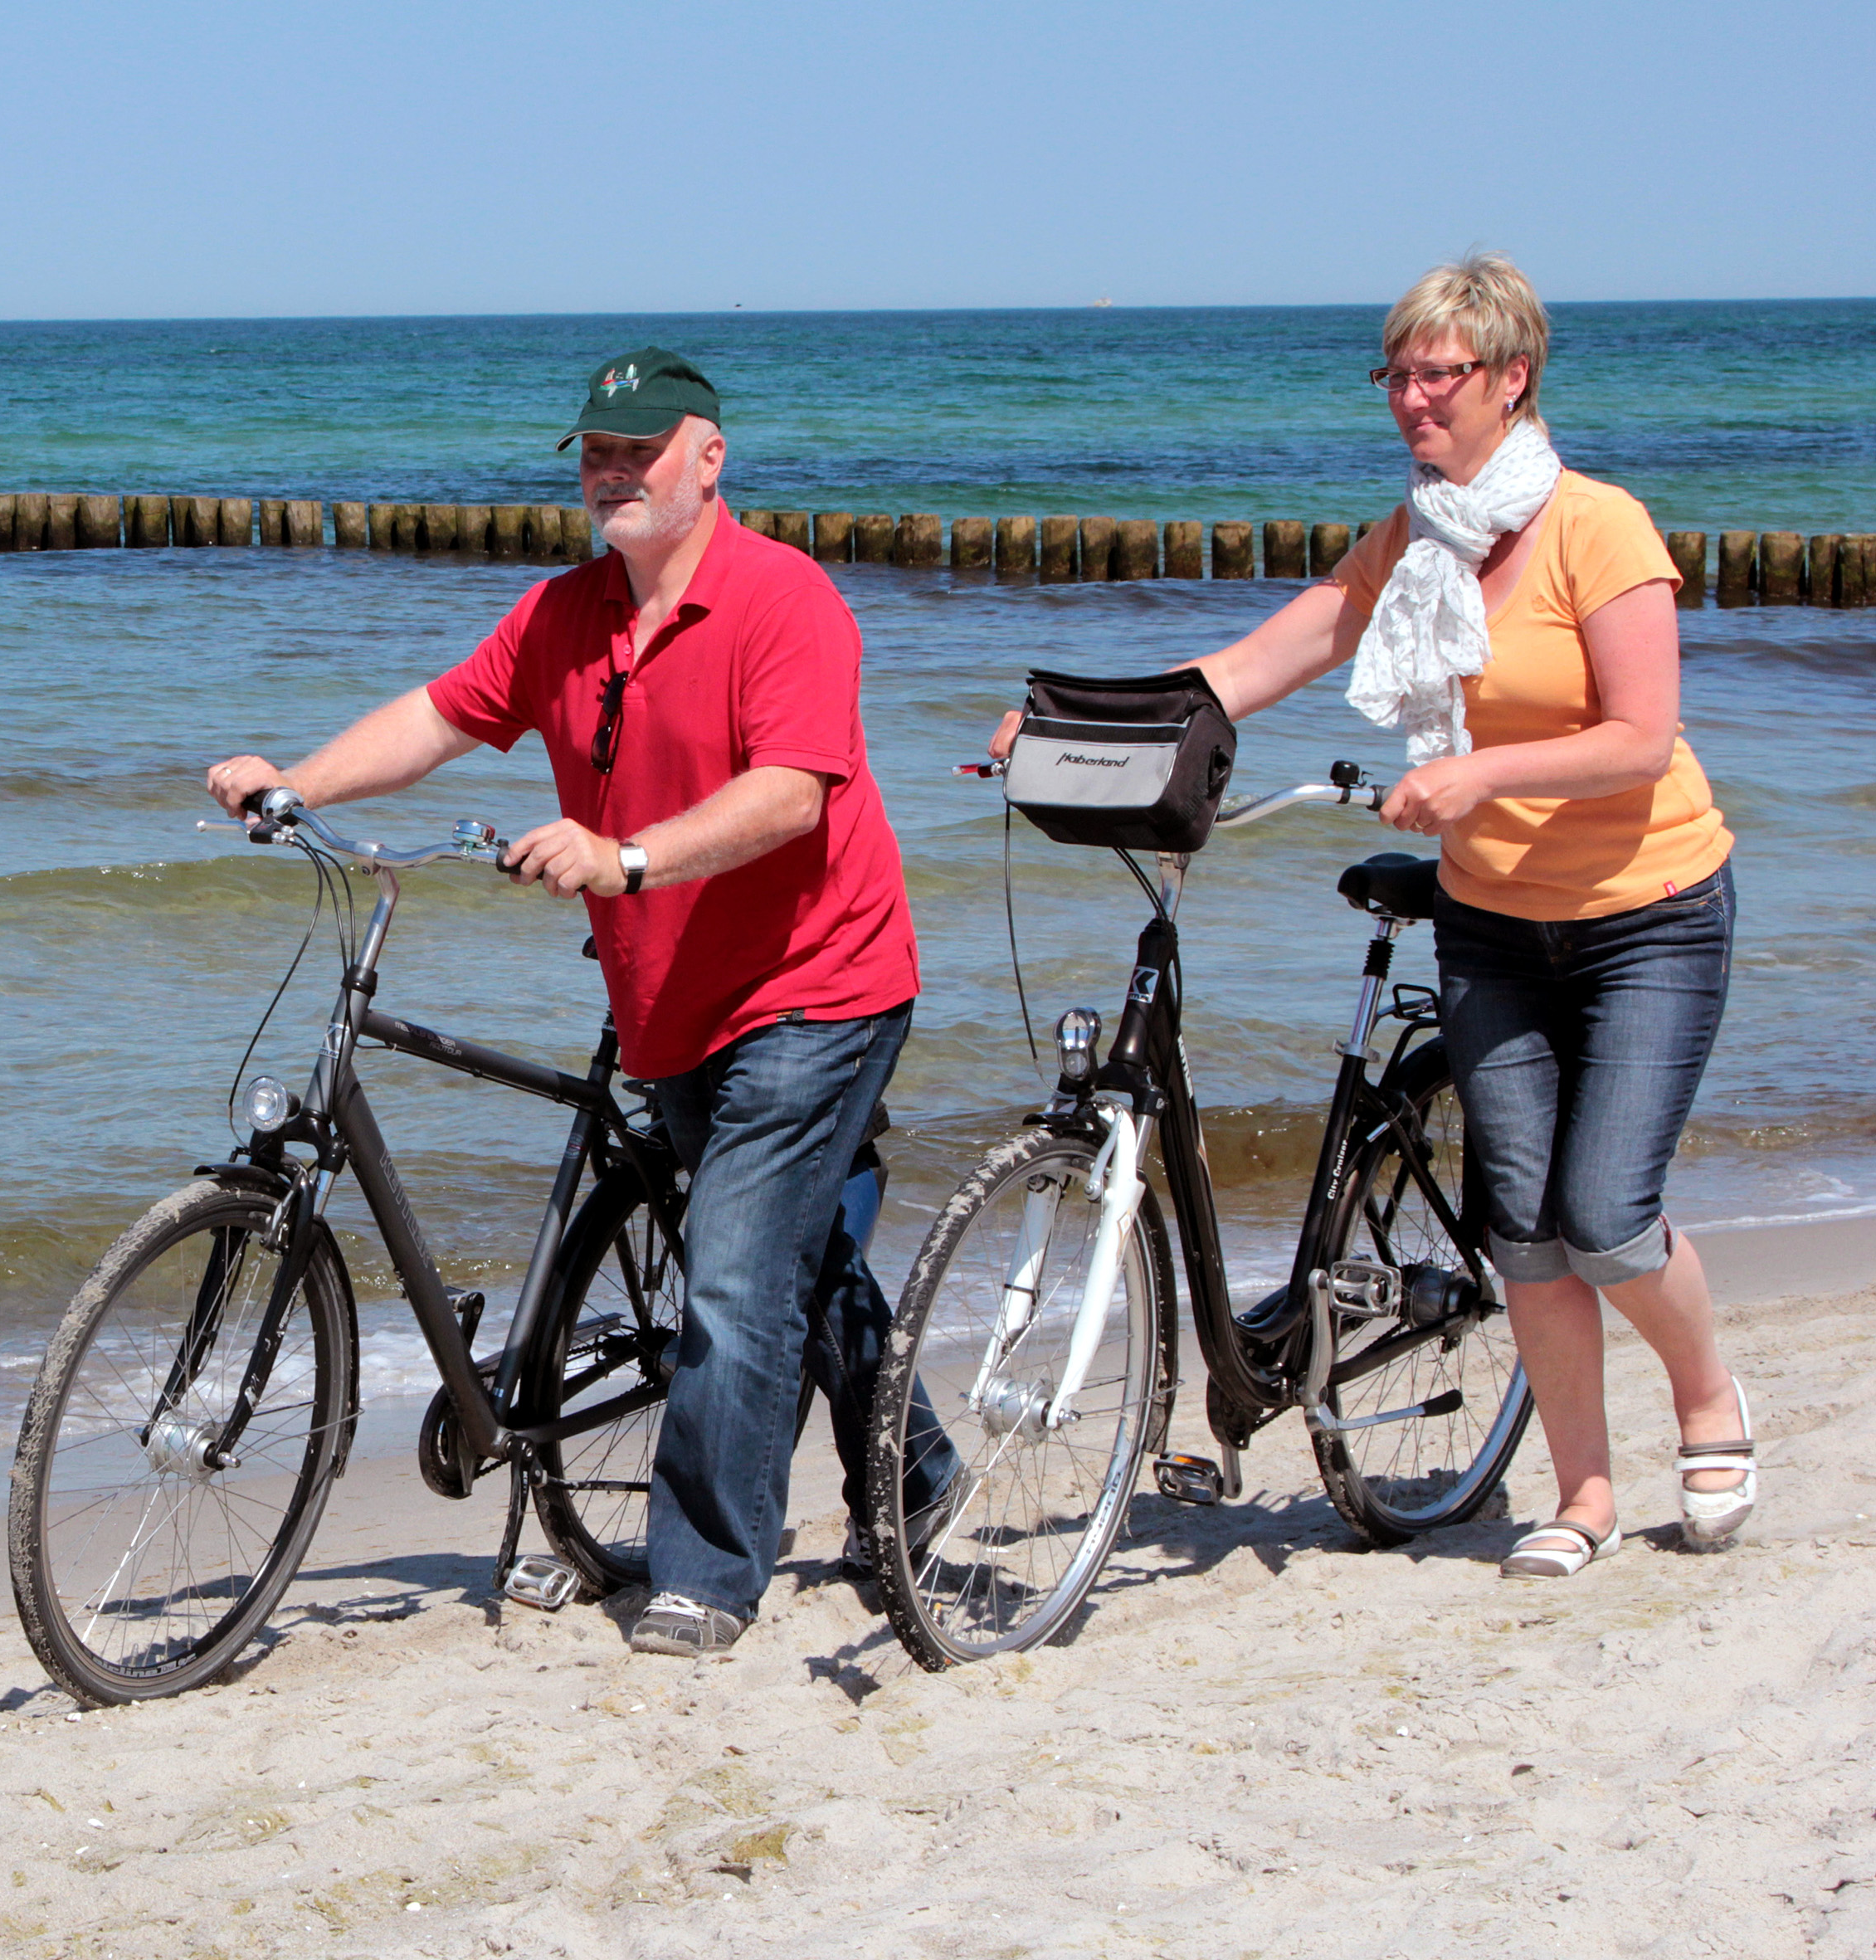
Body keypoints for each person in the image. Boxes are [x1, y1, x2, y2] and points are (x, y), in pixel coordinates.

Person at [1005, 253, 1748, 1578]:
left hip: (1649, 912)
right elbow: (1257, 661)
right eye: (1395, 374)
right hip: (1493, 919)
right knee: (1522, 1227)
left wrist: (1479, 772)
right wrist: (1071, 725)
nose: (1411, 398)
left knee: (1606, 1213)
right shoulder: (1414, 543)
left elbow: (1642, 741)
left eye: (1437, 373)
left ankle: (1704, 1389)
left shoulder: (1599, 527)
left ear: (1512, 379)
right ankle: (1582, 1492)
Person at [207, 346, 939, 1654]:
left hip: (816, 985)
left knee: (728, 1277)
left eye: (639, 450)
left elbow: (795, 788)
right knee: (790, 1256)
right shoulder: (565, 615)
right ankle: (922, 1477)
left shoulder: (788, 600)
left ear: (708, 458)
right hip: (668, 995)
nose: (612, 473)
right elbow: (441, 716)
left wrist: (629, 855)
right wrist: (300, 783)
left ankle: (706, 1574)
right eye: (596, 453)